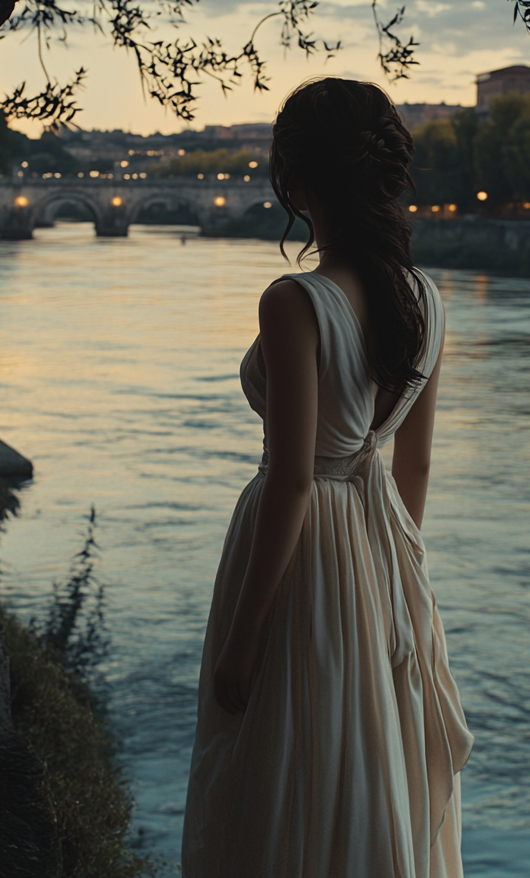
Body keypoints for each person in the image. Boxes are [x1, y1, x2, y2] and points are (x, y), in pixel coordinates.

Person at [181, 77, 474, 878]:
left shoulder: (296, 301)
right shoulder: (428, 301)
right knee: (368, 752)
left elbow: (291, 480)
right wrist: (396, 573)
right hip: (381, 543)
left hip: (300, 555)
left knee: (279, 758)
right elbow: (413, 462)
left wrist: (242, 636)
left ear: (296, 180)